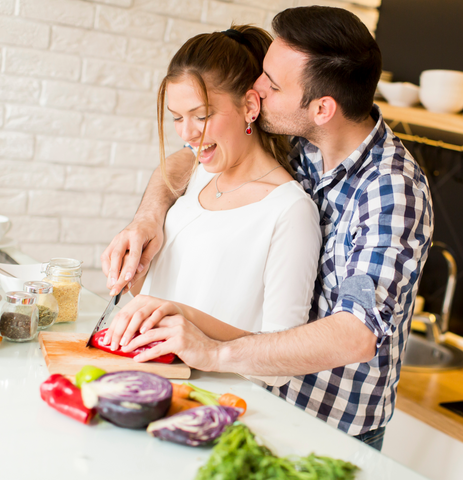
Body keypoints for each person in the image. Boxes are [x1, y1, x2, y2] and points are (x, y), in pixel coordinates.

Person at [101, 6, 433, 451]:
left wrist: (213, 350)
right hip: (267, 405)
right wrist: (148, 217)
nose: (256, 87)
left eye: (272, 85)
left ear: (322, 107)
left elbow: (356, 334)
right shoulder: (306, 141)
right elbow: (189, 158)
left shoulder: (390, 191)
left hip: (330, 429)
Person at [102, 24, 321, 386]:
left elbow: (283, 363)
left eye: (201, 116)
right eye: (177, 117)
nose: (187, 133)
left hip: (214, 401)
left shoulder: (289, 211)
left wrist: (186, 317)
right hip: (144, 378)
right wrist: (137, 271)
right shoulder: (201, 175)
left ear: (250, 105)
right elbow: (171, 289)